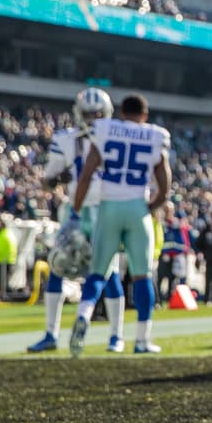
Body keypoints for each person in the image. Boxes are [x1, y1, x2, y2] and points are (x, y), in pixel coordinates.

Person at [68, 93, 172, 356]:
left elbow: (86, 174)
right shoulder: (155, 135)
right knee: (142, 276)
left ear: (121, 113)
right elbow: (165, 186)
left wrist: (77, 209)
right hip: (138, 205)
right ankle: (142, 340)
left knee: (97, 272)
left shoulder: (106, 129)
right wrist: (149, 207)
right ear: (145, 116)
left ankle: (84, 314)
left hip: (109, 206)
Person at [30, 88, 127, 353]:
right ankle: (51, 333)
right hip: (80, 210)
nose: (94, 118)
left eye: (98, 113)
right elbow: (48, 182)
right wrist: (60, 178)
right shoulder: (66, 139)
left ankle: (116, 336)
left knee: (110, 273)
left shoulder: (112, 137)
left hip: (101, 209)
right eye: (89, 114)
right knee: (58, 267)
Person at [158, 203, 191, 304]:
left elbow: (183, 240)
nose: (168, 212)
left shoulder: (177, 224)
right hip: (164, 256)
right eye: (166, 210)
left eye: (170, 210)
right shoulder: (161, 223)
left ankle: (169, 299)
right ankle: (158, 300)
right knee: (160, 277)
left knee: (173, 280)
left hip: (175, 256)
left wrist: (181, 252)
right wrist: (163, 252)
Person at [0, 216, 17, 298]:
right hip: (1, 261)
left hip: (2, 261)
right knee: (2, 280)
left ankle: (4, 295)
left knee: (2, 280)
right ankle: (3, 295)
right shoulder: (5, 234)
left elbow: (3, 249)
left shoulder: (5, 235)